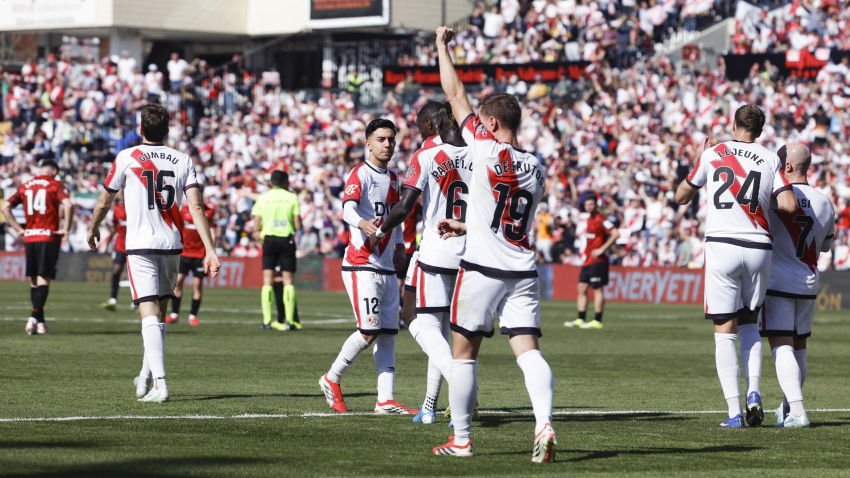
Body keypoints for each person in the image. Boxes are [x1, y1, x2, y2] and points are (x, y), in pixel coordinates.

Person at [431, 26, 556, 462]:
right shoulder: (538, 169)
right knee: (528, 351)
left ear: (491, 124)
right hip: (521, 271)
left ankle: (462, 440)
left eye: (482, 121)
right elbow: (508, 218)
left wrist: (442, 47)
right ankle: (544, 423)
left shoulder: (484, 150)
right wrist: (467, 226)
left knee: (463, 354)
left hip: (482, 269)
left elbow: (454, 93)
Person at [87, 103, 220, 403]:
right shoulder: (183, 159)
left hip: (141, 245)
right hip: (172, 244)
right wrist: (210, 250)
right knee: (158, 317)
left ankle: (160, 384)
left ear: (141, 129)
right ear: (167, 129)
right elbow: (196, 207)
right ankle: (145, 377)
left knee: (148, 315)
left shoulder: (127, 157)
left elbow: (104, 201)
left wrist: (94, 228)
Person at [674, 104, 797, 428]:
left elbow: (681, 196)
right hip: (758, 246)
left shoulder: (714, 153)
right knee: (749, 324)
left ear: (733, 125)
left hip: (722, 244)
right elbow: (788, 204)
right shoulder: (771, 157)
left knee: (723, 332)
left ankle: (733, 412)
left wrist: (701, 161)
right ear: (760, 130)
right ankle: (754, 392)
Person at [368, 101, 472, 424]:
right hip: (471, 253)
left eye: (419, 126)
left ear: (431, 124)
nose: (419, 132)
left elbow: (403, 207)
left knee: (413, 316)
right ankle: (429, 406)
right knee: (446, 329)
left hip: (435, 251)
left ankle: (463, 386)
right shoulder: (478, 151)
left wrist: (380, 231)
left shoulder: (428, 152)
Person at [318, 118, 416, 415]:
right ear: (369, 143)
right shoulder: (360, 173)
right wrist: (363, 224)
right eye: (382, 139)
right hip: (362, 263)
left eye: (391, 139)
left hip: (386, 265)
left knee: (387, 334)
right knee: (369, 331)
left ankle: (385, 400)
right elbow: (346, 208)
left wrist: (398, 244)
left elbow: (396, 218)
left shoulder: (396, 178)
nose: (388, 144)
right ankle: (331, 378)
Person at [762, 143, 835, 428]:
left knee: (781, 346)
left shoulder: (774, 197)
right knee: (799, 347)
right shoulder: (825, 201)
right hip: (808, 281)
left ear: (788, 167)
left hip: (779, 280)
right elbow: (826, 247)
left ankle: (797, 410)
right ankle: (787, 407)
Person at [1, 159, 73, 335]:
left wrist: (19, 229)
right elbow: (68, 205)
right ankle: (34, 317)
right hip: (48, 236)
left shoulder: (26, 186)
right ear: (54, 171)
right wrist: (65, 229)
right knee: (44, 278)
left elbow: (5, 207)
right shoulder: (55, 185)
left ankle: (41, 322)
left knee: (34, 280)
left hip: (30, 237)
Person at [251, 170, 302, 331]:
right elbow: (298, 225)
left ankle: (266, 321)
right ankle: (290, 321)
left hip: (269, 240)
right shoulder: (292, 197)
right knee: (288, 282)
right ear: (286, 182)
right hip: (286, 239)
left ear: (271, 182)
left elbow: (255, 226)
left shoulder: (263, 198)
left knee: (267, 281)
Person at [566, 191, 619, 329]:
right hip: (588, 259)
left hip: (599, 260)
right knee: (582, 287)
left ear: (596, 205)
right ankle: (581, 318)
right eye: (587, 204)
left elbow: (615, 233)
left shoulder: (601, 219)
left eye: (591, 204)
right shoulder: (588, 219)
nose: (589, 207)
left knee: (597, 288)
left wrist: (602, 249)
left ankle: (597, 320)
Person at [168, 188, 216, 326]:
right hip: (184, 253)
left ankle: (193, 316)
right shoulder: (183, 210)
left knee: (197, 285)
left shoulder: (209, 212)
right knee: (178, 282)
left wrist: (210, 252)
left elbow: (212, 232)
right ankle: (174, 314)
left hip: (200, 255)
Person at [102, 192, 128, 311]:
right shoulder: (118, 210)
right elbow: (114, 229)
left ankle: (137, 301)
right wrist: (107, 246)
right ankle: (113, 299)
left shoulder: (138, 208)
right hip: (120, 245)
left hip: (135, 245)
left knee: (136, 274)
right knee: (116, 269)